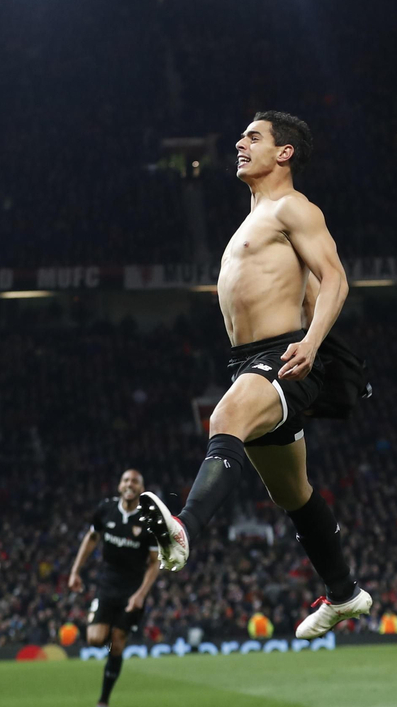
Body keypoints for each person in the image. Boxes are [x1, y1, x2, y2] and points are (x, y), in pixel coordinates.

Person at [137, 111, 373, 639]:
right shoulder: (254, 220)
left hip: (283, 357)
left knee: (226, 416)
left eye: (253, 137)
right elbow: (309, 291)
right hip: (251, 361)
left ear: (283, 153)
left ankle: (184, 529)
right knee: (293, 494)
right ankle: (343, 592)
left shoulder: (293, 207)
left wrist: (312, 346)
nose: (239, 143)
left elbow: (335, 279)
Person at [68, 469, 162, 707]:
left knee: (117, 643)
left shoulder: (148, 519)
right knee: (96, 640)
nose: (130, 484)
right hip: (107, 585)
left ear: (142, 489)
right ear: (120, 486)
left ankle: (103, 701)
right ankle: (113, 631)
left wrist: (141, 594)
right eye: (126, 480)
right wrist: (75, 571)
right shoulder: (105, 509)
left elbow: (154, 563)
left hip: (133, 589)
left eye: (135, 481)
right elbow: (91, 538)